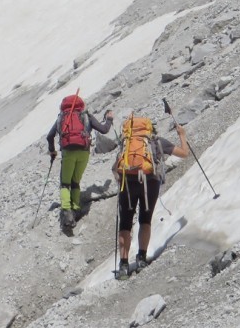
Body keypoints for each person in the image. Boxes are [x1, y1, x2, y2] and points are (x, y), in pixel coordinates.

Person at [112, 119, 188, 278]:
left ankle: (123, 266)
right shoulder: (157, 142)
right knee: (144, 220)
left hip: (127, 183)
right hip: (150, 182)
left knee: (125, 224)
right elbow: (184, 153)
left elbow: (116, 166)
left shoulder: (126, 144)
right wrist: (182, 135)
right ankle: (141, 258)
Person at [45, 96, 114, 229]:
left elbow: (50, 136)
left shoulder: (61, 117)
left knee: (65, 183)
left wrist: (52, 152)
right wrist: (109, 119)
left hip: (68, 152)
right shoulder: (86, 115)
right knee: (75, 181)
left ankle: (66, 212)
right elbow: (104, 129)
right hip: (84, 152)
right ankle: (75, 208)